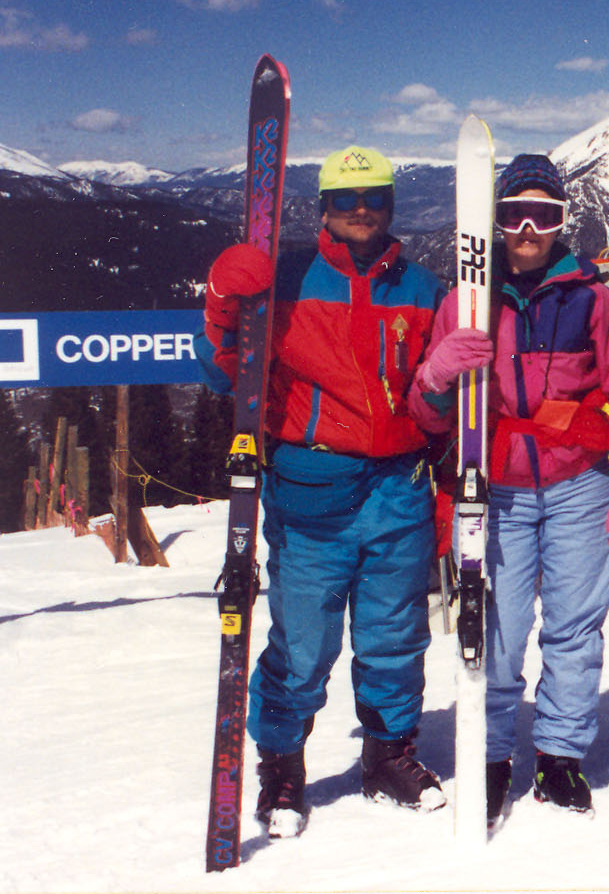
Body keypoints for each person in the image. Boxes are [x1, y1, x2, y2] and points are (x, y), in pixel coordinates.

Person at [198, 146, 477, 838]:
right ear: (322, 207)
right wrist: (223, 302)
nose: (360, 211)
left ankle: (389, 754)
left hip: (399, 487)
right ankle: (283, 766)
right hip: (313, 486)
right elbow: (221, 371)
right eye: (346, 199)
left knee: (395, 635)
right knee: (304, 639)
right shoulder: (286, 277)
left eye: (374, 198)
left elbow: (432, 398)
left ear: (390, 204)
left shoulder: (422, 286)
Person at [410, 154, 609, 824]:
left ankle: (560, 756)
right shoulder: (465, 301)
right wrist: (433, 377)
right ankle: (490, 754)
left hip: (579, 485)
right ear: (493, 222)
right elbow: (428, 417)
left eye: (543, 215)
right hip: (497, 490)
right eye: (513, 214)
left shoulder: (593, 301)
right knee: (497, 626)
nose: (527, 229)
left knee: (575, 627)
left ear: (560, 223)